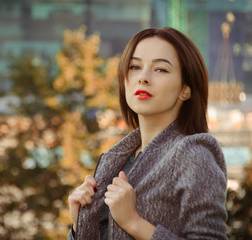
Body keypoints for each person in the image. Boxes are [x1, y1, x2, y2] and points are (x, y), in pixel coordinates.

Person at [67, 27, 228, 240]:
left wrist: (133, 222)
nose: (142, 77)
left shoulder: (194, 156)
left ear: (185, 89)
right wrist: (79, 225)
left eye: (160, 69)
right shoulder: (115, 159)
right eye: (134, 66)